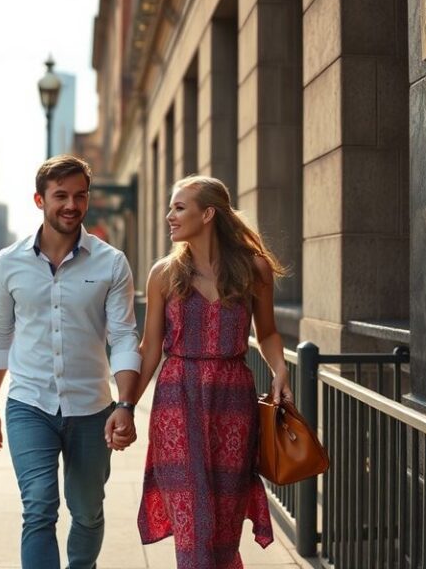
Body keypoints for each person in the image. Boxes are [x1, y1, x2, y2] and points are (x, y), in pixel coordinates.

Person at [0, 154, 141, 569]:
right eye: (61, 196)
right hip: (28, 405)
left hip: (91, 408)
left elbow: (123, 336)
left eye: (80, 196)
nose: (72, 205)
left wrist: (125, 405)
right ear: (40, 199)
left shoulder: (112, 262)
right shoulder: (8, 262)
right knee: (38, 508)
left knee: (87, 512)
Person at [133, 176, 293, 568]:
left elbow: (268, 332)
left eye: (179, 207)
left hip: (232, 402)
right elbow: (150, 347)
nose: (169, 216)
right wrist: (124, 405)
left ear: (208, 214)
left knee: (222, 523)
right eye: (171, 207)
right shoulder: (163, 274)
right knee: (193, 520)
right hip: (176, 399)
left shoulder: (254, 269)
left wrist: (280, 370)